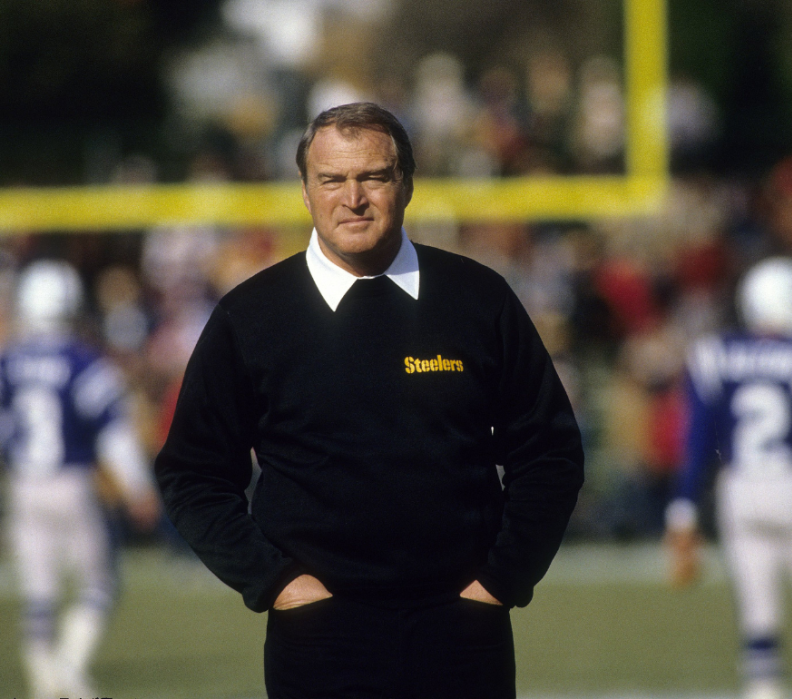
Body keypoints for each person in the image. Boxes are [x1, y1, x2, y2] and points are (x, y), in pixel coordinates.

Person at [154, 101, 584, 699]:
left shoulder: (477, 298)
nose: (352, 197)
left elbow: (550, 453)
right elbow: (192, 473)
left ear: (406, 184)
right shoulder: (251, 316)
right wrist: (277, 583)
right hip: (320, 638)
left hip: (462, 630)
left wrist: (499, 580)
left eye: (373, 177)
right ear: (305, 191)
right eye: (331, 180)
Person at [665, 257, 792, 699]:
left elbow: (697, 441)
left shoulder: (714, 352)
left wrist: (682, 510)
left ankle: (764, 689)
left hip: (738, 489)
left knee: (759, 616)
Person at [0, 259, 159, 698]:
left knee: (39, 592)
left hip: (24, 484)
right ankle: (67, 668)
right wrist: (137, 487)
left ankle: (43, 682)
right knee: (101, 583)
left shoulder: (9, 360)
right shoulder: (82, 361)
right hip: (70, 482)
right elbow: (113, 432)